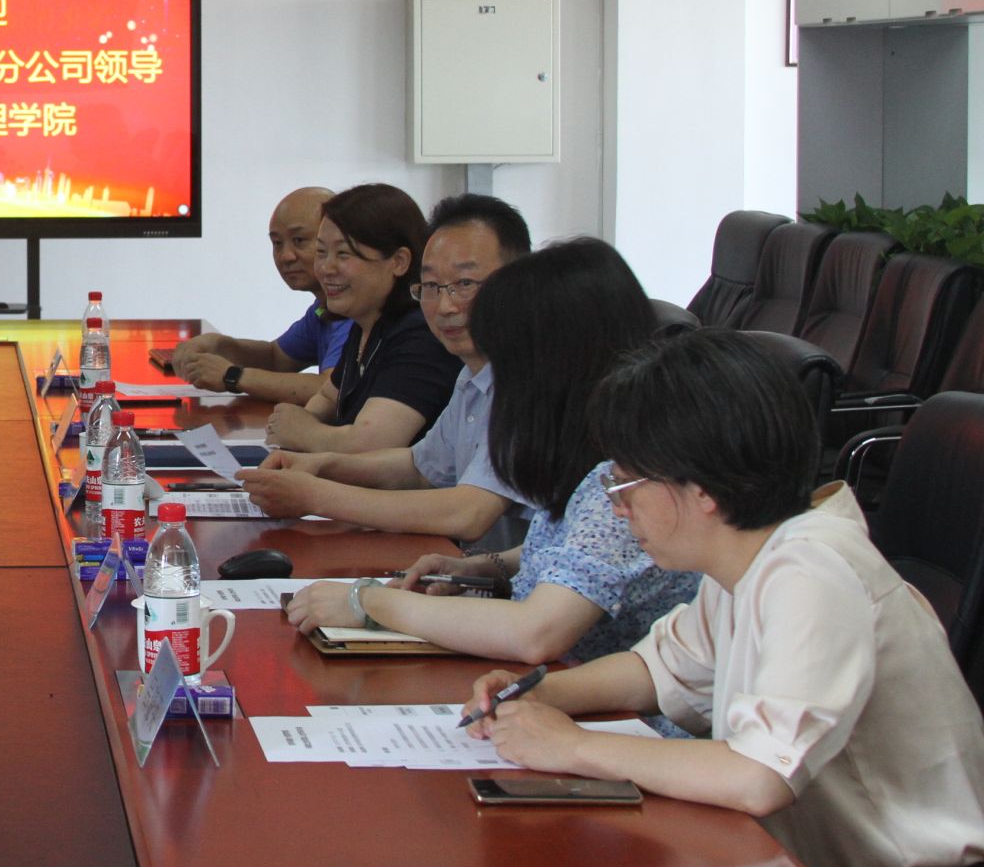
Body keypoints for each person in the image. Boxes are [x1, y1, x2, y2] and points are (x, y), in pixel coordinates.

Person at [464, 330, 984, 867]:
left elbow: (758, 776)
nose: (618, 506)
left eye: (626, 483)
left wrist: (572, 746)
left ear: (703, 488)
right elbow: (658, 670)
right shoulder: (747, 555)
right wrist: (540, 696)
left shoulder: (812, 570)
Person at [286, 239, 699, 674]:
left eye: (507, 359)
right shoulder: (593, 455)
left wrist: (367, 601)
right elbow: (573, 550)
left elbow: (535, 633)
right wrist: (488, 568)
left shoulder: (623, 482)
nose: (495, 379)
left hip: (600, 703)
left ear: (558, 365)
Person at [240, 194, 531, 547]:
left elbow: (468, 513)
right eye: (432, 287)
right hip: (465, 565)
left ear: (519, 282)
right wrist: (322, 466)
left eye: (465, 284)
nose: (444, 306)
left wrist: (315, 494)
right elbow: (420, 468)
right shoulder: (471, 376)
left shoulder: (532, 381)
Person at [262, 183, 460, 454]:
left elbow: (368, 444)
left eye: (343, 254)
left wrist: (300, 431)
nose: (325, 268)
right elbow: (325, 400)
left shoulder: (420, 335)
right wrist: (297, 424)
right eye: (321, 252)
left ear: (399, 261)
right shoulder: (366, 325)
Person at [168, 186, 351, 404]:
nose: (285, 256)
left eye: (299, 240)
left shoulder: (356, 310)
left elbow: (332, 388)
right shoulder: (322, 308)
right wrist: (217, 345)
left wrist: (233, 376)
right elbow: (276, 358)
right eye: (277, 243)